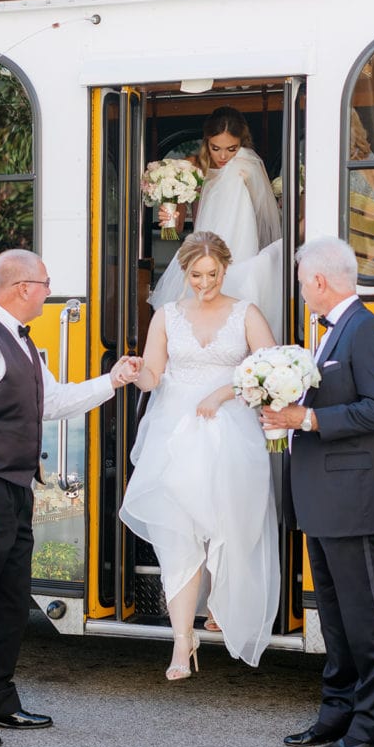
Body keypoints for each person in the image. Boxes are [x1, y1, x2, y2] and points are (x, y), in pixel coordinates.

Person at [0, 248, 140, 747]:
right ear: (22, 288)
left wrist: (113, 381)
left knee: (8, 600)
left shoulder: (22, 344)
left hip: (14, 485)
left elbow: (55, 401)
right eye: (46, 283)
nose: (51, 291)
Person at [261, 237, 374, 747]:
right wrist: (284, 411)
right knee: (336, 622)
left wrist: (309, 418)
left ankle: (371, 732)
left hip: (353, 499)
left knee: (367, 622)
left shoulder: (366, 329)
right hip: (322, 499)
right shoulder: (328, 332)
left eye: (301, 282)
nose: (300, 292)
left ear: (318, 281)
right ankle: (335, 715)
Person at [120, 231, 280, 679]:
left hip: (230, 428)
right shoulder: (167, 316)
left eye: (213, 274)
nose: (205, 283)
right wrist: (138, 375)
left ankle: (222, 606)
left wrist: (226, 391)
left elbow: (270, 369)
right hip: (174, 433)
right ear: (184, 272)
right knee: (179, 536)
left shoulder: (245, 313)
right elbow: (154, 373)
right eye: (196, 275)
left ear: (226, 270)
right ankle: (181, 642)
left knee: (229, 526)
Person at [149, 106, 282, 338]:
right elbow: (177, 228)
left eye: (231, 149)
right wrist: (171, 216)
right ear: (206, 142)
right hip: (198, 250)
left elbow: (263, 218)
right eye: (215, 148)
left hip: (239, 249)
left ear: (242, 143)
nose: (223, 157)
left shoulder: (247, 167)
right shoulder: (192, 168)